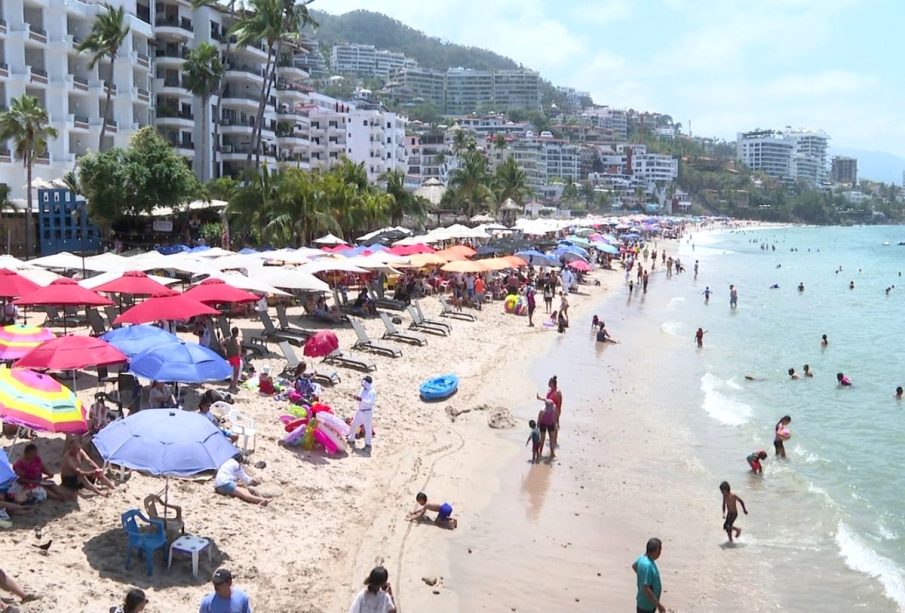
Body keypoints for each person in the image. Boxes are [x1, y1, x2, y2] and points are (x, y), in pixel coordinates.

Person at [632, 538, 665, 613]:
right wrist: (659, 605)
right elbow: (646, 589)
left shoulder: (642, 558)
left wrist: (642, 576)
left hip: (643, 602)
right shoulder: (648, 565)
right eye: (660, 550)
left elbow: (634, 566)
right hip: (646, 606)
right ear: (657, 550)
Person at [347, 376, 376, 452]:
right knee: (354, 425)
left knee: (368, 429)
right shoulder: (362, 388)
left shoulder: (372, 392)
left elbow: (370, 402)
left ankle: (368, 445)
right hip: (359, 411)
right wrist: (355, 397)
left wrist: (361, 399)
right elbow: (359, 397)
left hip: (367, 413)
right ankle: (351, 439)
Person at [221, 327, 242, 393]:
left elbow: (221, 343)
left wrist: (225, 350)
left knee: (232, 372)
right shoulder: (236, 339)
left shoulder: (228, 338)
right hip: (235, 356)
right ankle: (233, 386)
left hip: (229, 357)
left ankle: (231, 385)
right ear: (237, 332)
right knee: (236, 372)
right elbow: (238, 345)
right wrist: (239, 353)